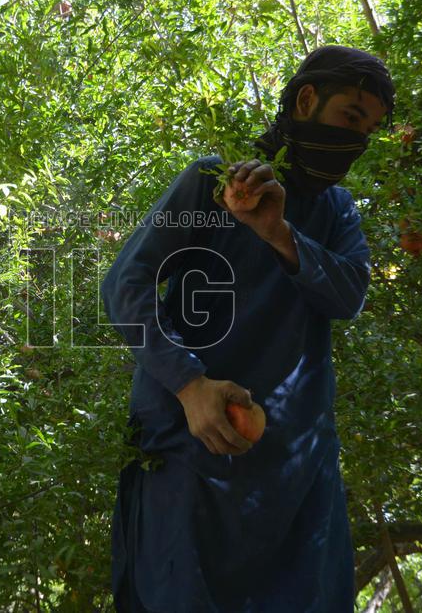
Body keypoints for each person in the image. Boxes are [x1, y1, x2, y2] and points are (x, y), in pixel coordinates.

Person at [101, 45, 395, 612]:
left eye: (369, 131)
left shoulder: (337, 211)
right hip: (188, 452)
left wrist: (278, 232)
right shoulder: (209, 185)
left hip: (297, 473)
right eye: (350, 118)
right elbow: (123, 285)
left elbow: (349, 295)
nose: (356, 141)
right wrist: (189, 386)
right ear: (307, 100)